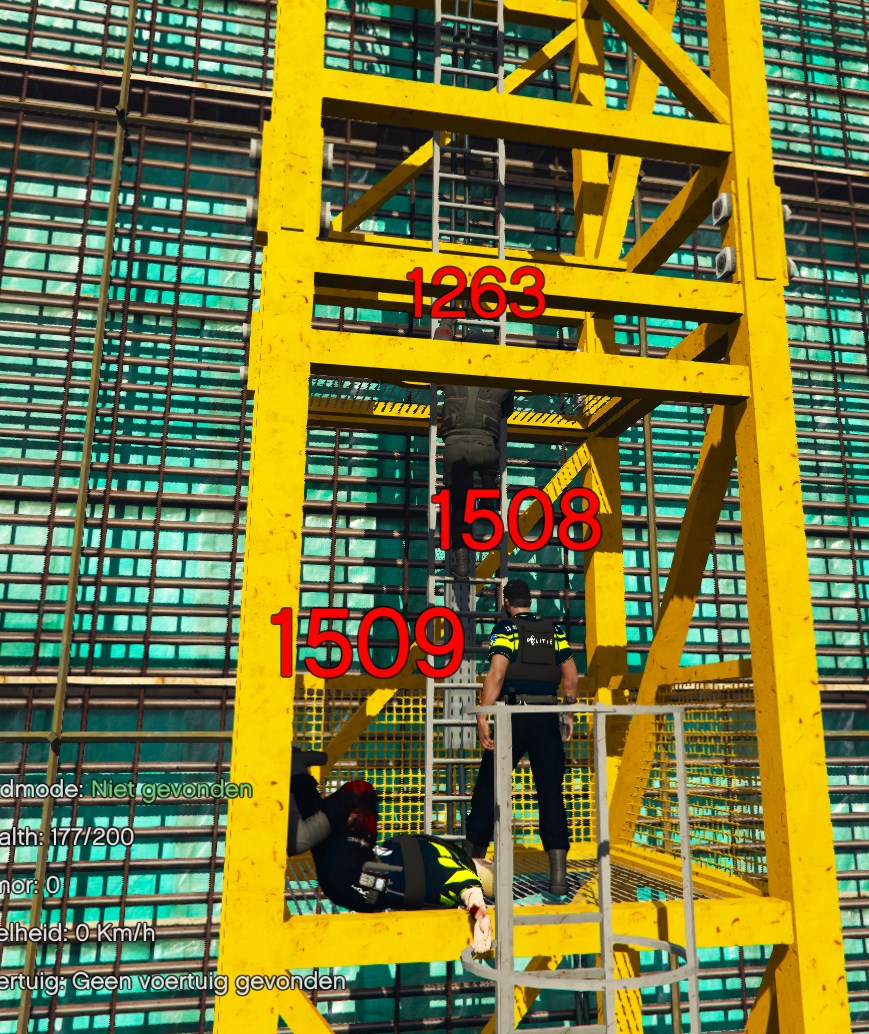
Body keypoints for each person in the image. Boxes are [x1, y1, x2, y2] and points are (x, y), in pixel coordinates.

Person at [288, 762, 493, 953]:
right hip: (348, 875)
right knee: (326, 832)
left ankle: (302, 826)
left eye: (491, 864)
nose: (488, 859)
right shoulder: (453, 869)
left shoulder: (462, 872)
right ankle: (299, 776)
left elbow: (472, 893)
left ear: (486, 865)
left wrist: (481, 915)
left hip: (354, 876)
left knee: (362, 792)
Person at [462, 578, 579, 896]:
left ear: (506, 603)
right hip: (547, 717)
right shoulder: (554, 630)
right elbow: (570, 676)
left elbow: (497, 673)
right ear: (530, 601)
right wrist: (568, 714)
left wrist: (483, 714)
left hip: (512, 716)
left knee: (489, 787)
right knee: (551, 794)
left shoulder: (507, 629)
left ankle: (471, 865)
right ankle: (558, 876)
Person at [434, 318, 513, 580]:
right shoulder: (502, 377)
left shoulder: (451, 370)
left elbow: (439, 345)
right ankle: (489, 498)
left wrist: (446, 321)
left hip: (455, 447)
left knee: (458, 505)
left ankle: (462, 564)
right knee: (492, 458)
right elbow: (507, 412)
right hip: (485, 446)